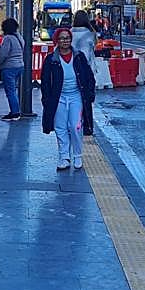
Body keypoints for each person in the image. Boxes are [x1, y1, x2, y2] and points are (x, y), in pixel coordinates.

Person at [40, 28, 96, 170]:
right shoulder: (51, 60)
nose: (65, 41)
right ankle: (64, 157)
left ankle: (77, 155)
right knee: (60, 128)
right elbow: (45, 82)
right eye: (62, 38)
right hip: (58, 98)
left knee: (75, 126)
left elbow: (89, 76)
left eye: (67, 38)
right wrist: (46, 100)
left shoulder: (79, 57)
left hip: (76, 96)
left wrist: (90, 95)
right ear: (57, 41)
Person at [70, 11, 97, 136]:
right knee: (86, 99)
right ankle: (87, 127)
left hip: (70, 70)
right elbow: (89, 54)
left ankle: (73, 123)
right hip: (86, 71)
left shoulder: (69, 33)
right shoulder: (90, 34)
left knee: (72, 98)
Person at [0, 17, 24, 120]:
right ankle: (15, 110)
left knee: (10, 91)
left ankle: (15, 113)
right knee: (13, 90)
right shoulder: (19, 37)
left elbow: (3, 54)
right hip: (19, 66)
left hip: (9, 67)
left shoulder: (7, 38)